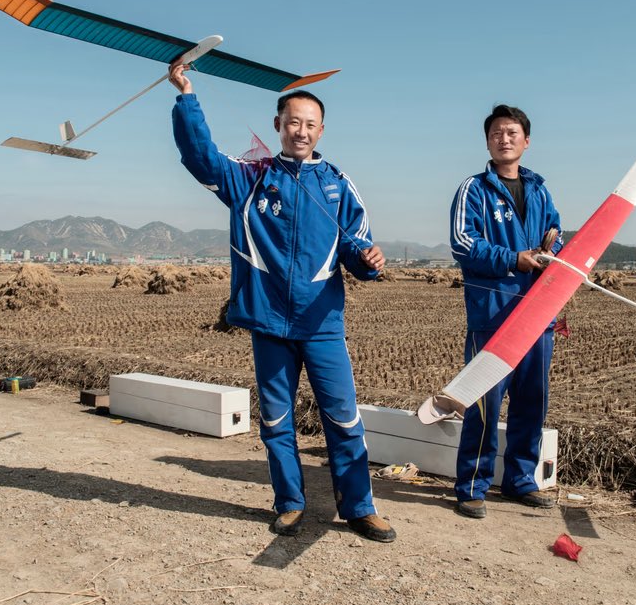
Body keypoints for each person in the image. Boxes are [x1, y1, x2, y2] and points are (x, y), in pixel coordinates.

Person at [168, 58, 396, 543]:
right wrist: (186, 97)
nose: (301, 131)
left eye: (310, 124)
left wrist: (369, 261)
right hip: (269, 321)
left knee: (343, 416)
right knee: (276, 419)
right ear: (277, 125)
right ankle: (290, 503)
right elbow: (200, 156)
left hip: (322, 323)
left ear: (321, 130)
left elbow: (355, 244)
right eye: (293, 122)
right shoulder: (249, 179)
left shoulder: (338, 184)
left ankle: (359, 506)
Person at [449, 104, 562, 518]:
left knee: (532, 402)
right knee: (483, 402)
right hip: (493, 314)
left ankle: (520, 480)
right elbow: (463, 243)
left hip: (538, 314)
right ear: (488, 140)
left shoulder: (540, 189)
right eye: (497, 132)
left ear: (526, 141)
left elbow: (556, 233)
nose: (505, 138)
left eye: (513, 132)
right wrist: (515, 259)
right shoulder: (473, 189)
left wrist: (552, 253)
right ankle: (472, 486)